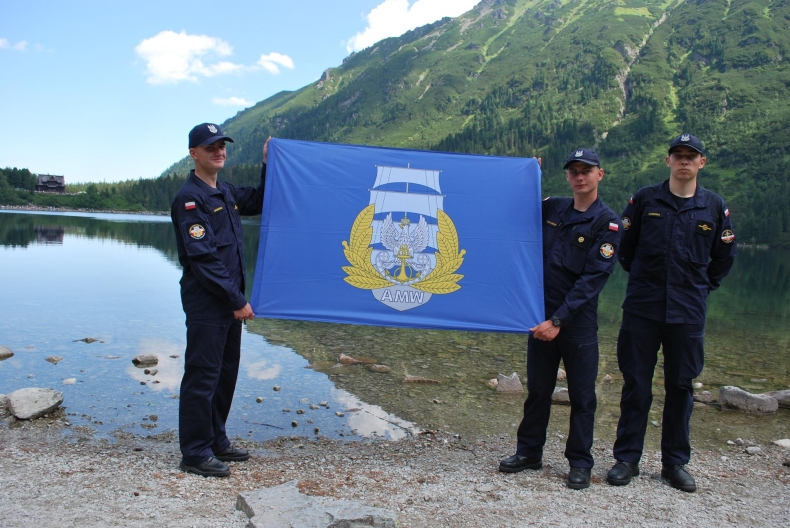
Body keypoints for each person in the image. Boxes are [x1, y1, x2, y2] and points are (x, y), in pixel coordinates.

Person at [607, 133, 736, 492]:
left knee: (681, 387)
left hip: (688, 312)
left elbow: (723, 258)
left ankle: (674, 463)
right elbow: (625, 249)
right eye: (677, 155)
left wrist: (699, 287)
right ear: (668, 161)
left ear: (701, 163)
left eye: (690, 156)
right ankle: (627, 458)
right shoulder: (646, 199)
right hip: (642, 309)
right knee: (636, 384)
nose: (683, 161)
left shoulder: (713, 206)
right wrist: (648, 282)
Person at [499, 148, 622, 490]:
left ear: (600, 174)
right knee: (538, 391)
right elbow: (514, 212)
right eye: (574, 171)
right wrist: (525, 176)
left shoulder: (607, 223)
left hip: (575, 323)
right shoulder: (553, 207)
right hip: (539, 318)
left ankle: (580, 463)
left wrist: (559, 320)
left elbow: (593, 279)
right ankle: (529, 453)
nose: (580, 176)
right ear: (567, 176)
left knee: (583, 397)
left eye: (587, 170)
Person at [171, 122, 271, 477]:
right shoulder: (190, 198)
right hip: (208, 303)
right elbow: (204, 258)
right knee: (202, 376)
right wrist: (236, 299)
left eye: (222, 145)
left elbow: (259, 200)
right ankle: (195, 452)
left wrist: (267, 161)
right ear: (194, 153)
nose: (219, 151)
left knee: (224, 374)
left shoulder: (224, 192)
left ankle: (216, 440)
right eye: (210, 146)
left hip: (229, 304)